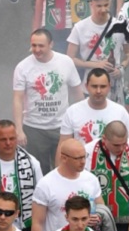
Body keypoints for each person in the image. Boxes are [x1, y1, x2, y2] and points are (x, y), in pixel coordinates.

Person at [12, 29, 82, 173]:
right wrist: (19, 129)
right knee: (36, 171)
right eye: (34, 45)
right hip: (34, 129)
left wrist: (79, 122)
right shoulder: (22, 67)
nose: (37, 50)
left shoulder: (65, 62)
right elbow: (18, 98)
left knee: (64, 169)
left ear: (51, 44)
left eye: (41, 46)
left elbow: (77, 92)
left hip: (62, 127)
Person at [59, 69, 129, 147]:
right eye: (94, 86)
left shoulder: (120, 112)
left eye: (103, 86)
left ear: (109, 87)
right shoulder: (72, 111)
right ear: (86, 86)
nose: (98, 91)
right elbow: (63, 146)